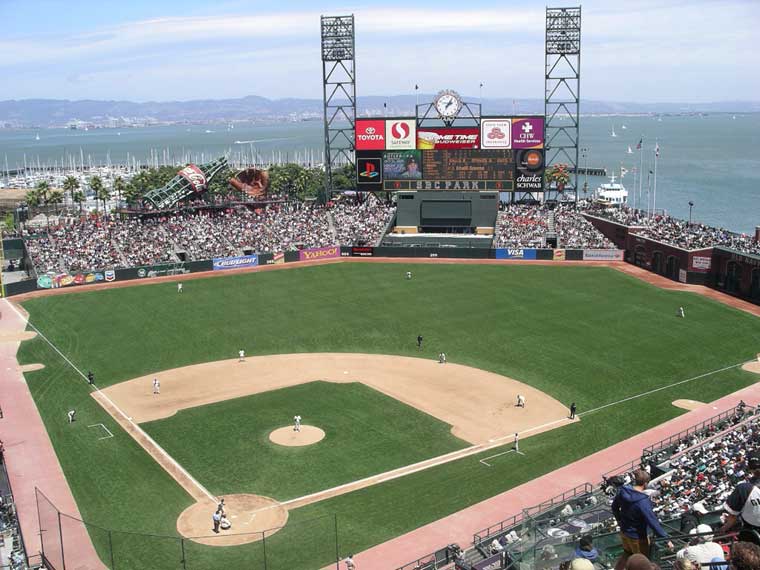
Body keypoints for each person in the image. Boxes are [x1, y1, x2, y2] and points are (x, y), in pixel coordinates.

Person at [612, 469, 673, 569]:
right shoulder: (642, 501)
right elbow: (652, 521)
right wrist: (666, 539)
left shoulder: (623, 491)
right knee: (643, 564)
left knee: (627, 554)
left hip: (624, 532)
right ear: (645, 483)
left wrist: (619, 521)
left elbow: (614, 507)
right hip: (637, 537)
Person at [720, 453, 760, 534]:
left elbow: (732, 519)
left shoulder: (743, 489)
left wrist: (723, 529)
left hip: (753, 531)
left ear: (749, 469)